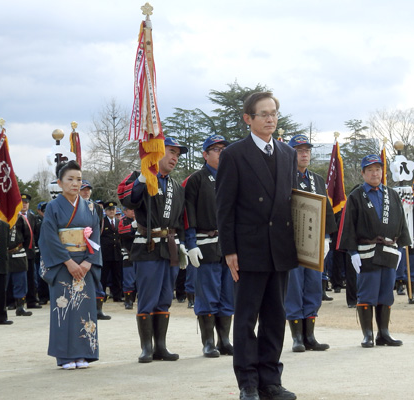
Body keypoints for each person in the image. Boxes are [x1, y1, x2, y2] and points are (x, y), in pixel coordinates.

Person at [216, 92, 298, 400]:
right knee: (247, 318)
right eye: (263, 113)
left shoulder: (287, 154)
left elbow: (293, 203)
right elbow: (224, 206)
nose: (270, 119)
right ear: (248, 119)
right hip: (248, 249)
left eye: (274, 113)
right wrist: (229, 249)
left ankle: (271, 381)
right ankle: (248, 383)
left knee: (275, 318)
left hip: (280, 248)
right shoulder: (234, 154)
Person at [118, 136, 187, 363]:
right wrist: (142, 176)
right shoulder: (144, 178)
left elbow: (180, 218)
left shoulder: (176, 186)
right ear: (157, 151)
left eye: (177, 154)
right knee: (148, 296)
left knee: (165, 297)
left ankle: (161, 346)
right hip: (147, 245)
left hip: (170, 246)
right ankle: (146, 347)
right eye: (170, 151)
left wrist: (183, 244)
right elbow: (127, 199)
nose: (174, 157)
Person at [337, 154, 411, 348]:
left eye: (377, 169)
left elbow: (401, 221)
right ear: (363, 173)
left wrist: (401, 245)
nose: (374, 173)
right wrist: (352, 252)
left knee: (386, 293)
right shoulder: (355, 196)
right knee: (367, 293)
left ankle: (384, 333)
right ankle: (367, 334)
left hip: (389, 250)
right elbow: (348, 226)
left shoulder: (392, 194)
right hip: (366, 251)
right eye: (370, 170)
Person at [39, 160, 102, 369]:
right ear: (60, 182)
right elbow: (48, 238)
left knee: (85, 309)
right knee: (63, 308)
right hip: (63, 265)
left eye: (78, 179)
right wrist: (68, 262)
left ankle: (84, 353)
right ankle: (65, 356)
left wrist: (87, 262)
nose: (75, 184)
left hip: (84, 264)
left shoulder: (90, 207)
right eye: (70, 179)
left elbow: (95, 237)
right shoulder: (53, 207)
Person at [183, 134, 235, 358]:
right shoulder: (196, 179)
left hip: (229, 245)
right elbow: (188, 213)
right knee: (207, 294)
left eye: (224, 148)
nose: (221, 152)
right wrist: (190, 242)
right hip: (205, 243)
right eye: (216, 149)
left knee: (227, 295)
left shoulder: (233, 177)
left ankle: (224, 340)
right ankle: (208, 342)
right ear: (205, 154)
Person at [285, 134, 337, 353]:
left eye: (307, 150)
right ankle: (297, 337)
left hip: (314, 243)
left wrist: (326, 238)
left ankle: (310, 336)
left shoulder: (316, 180)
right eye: (299, 150)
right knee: (294, 288)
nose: (304, 154)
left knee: (314, 288)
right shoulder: (283, 177)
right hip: (292, 243)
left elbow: (325, 210)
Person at [79, 180, 110, 320]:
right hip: (77, 247)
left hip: (93, 245)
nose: (86, 192)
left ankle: (98, 309)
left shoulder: (96, 207)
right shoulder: (73, 206)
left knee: (96, 277)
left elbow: (100, 227)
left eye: (88, 189)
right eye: (83, 189)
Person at [7, 199, 34, 316]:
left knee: (20, 282)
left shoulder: (21, 218)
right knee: (2, 283)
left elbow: (28, 236)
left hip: (18, 254)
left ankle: (20, 307)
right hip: (3, 255)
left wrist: (26, 251)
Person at [19, 194, 41, 309]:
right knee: (18, 278)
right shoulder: (15, 217)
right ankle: (14, 302)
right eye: (22, 203)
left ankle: (31, 301)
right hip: (17, 252)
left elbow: (37, 233)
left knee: (31, 278)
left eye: (26, 203)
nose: (24, 205)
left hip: (30, 251)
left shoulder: (32, 217)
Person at [100, 201, 123, 302]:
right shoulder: (102, 221)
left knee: (117, 276)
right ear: (105, 211)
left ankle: (117, 296)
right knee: (103, 276)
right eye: (109, 210)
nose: (111, 211)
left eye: (113, 209)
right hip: (105, 253)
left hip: (116, 253)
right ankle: (101, 296)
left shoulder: (118, 221)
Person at [0, 199, 12, 325]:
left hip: (0, 264)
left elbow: (6, 245)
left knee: (1, 292)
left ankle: (1, 317)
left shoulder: (5, 226)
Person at [118, 206, 137, 309]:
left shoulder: (141, 218)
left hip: (140, 253)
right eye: (131, 209)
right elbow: (122, 232)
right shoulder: (123, 221)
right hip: (128, 253)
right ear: (125, 211)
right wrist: (132, 227)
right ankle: (128, 301)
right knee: (129, 279)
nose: (133, 210)